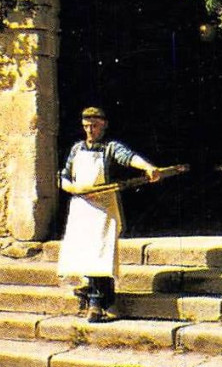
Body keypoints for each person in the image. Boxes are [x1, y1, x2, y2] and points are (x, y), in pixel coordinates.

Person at [56, 106, 167, 322]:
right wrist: (75, 189)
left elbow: (128, 157)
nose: (90, 130)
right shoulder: (76, 149)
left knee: (100, 252)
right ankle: (102, 295)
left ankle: (96, 302)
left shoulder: (110, 148)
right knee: (85, 252)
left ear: (104, 125)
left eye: (95, 126)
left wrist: (148, 168)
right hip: (81, 207)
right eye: (87, 126)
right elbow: (63, 177)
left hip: (103, 208)